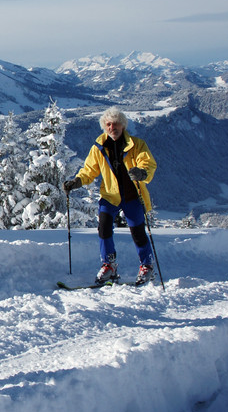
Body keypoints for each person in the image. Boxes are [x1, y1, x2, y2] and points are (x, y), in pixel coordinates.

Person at [63, 107, 158, 286]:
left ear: (122, 125)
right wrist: (76, 182)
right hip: (110, 195)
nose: (111, 127)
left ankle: (147, 265)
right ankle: (109, 264)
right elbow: (89, 171)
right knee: (104, 228)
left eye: (115, 124)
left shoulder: (137, 145)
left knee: (138, 232)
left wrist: (142, 173)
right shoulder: (99, 147)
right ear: (104, 127)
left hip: (132, 195)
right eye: (108, 124)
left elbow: (148, 164)